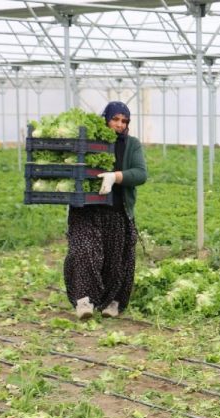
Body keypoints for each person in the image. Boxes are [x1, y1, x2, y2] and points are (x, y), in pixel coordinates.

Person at [64, 101, 148, 319]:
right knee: (82, 251)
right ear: (105, 119)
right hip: (86, 209)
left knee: (115, 260)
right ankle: (84, 301)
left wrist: (116, 177)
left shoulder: (131, 144)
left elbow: (141, 174)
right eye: (115, 119)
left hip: (116, 211)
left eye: (124, 121)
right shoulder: (87, 140)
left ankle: (113, 301)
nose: (120, 124)